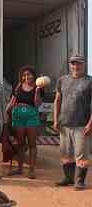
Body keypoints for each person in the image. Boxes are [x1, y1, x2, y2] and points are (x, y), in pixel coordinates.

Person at [54, 55, 91, 190]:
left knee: (81, 154)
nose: (76, 67)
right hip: (64, 123)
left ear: (84, 65)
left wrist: (90, 124)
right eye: (73, 64)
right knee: (65, 153)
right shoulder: (63, 80)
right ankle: (68, 178)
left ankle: (79, 181)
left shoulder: (89, 81)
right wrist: (56, 119)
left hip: (82, 124)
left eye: (79, 64)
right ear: (70, 65)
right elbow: (58, 100)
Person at [6, 65, 43, 179]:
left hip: (31, 117)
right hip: (18, 116)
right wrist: (8, 110)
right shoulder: (18, 87)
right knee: (20, 143)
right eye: (24, 75)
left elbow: (37, 104)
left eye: (29, 74)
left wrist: (37, 91)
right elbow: (13, 100)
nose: (27, 76)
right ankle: (19, 169)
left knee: (32, 144)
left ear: (33, 76)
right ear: (22, 77)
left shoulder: (39, 87)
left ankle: (31, 170)